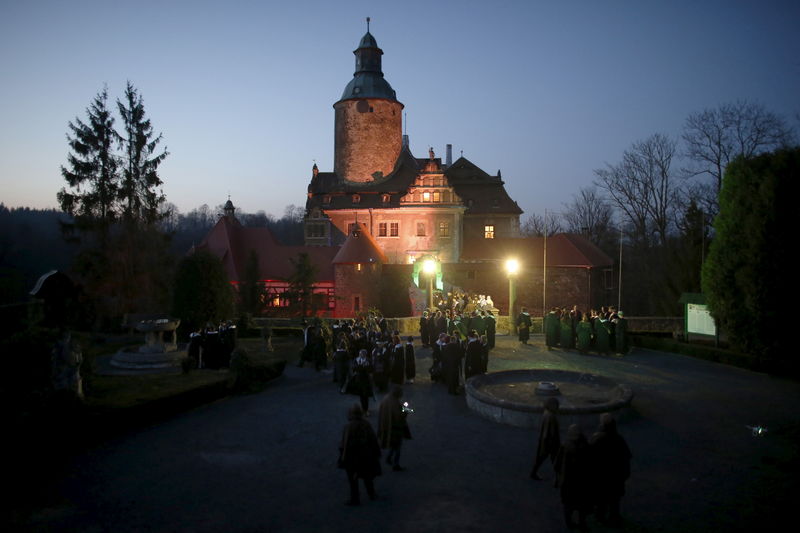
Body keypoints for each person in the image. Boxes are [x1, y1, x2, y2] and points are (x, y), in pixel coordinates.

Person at [589, 413, 632, 527]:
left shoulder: (596, 438)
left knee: (601, 499)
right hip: (615, 476)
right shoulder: (618, 439)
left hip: (601, 476)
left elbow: (589, 458)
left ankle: (600, 516)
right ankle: (614, 516)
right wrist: (625, 473)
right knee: (614, 499)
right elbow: (626, 457)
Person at [338, 404, 381, 505]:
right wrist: (376, 452)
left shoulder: (348, 427)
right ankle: (371, 494)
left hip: (352, 457)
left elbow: (344, 443)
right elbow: (373, 439)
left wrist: (342, 456)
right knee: (367, 476)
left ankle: (355, 498)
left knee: (353, 479)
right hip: (365, 456)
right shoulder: (366, 424)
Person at [554, 424, 591, 531]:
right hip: (582, 483)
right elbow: (591, 464)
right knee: (582, 506)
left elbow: (557, 464)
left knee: (568, 505)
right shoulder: (586, 446)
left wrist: (558, 478)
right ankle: (582, 524)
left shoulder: (565, 446)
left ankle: (569, 523)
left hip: (567, 483)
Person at [378, 385, 412, 471]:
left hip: (386, 425)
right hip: (395, 428)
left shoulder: (386, 398)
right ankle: (395, 464)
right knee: (397, 446)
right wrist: (406, 409)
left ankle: (389, 458)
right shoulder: (395, 403)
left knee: (394, 445)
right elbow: (399, 417)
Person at [530, 397, 560, 480]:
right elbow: (552, 432)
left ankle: (533, 472)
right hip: (550, 442)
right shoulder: (551, 416)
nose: (558, 407)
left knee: (541, 458)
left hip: (545, 441)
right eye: (556, 405)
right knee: (555, 459)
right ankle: (559, 477)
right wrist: (553, 443)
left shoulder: (546, 413)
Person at [351, 349, 374, 415]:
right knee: (361, 395)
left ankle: (366, 409)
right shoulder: (356, 360)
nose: (361, 355)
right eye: (360, 354)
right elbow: (354, 368)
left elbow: (371, 368)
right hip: (359, 380)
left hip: (366, 380)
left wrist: (362, 368)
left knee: (365, 395)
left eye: (363, 354)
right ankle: (363, 408)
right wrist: (362, 367)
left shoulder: (368, 360)